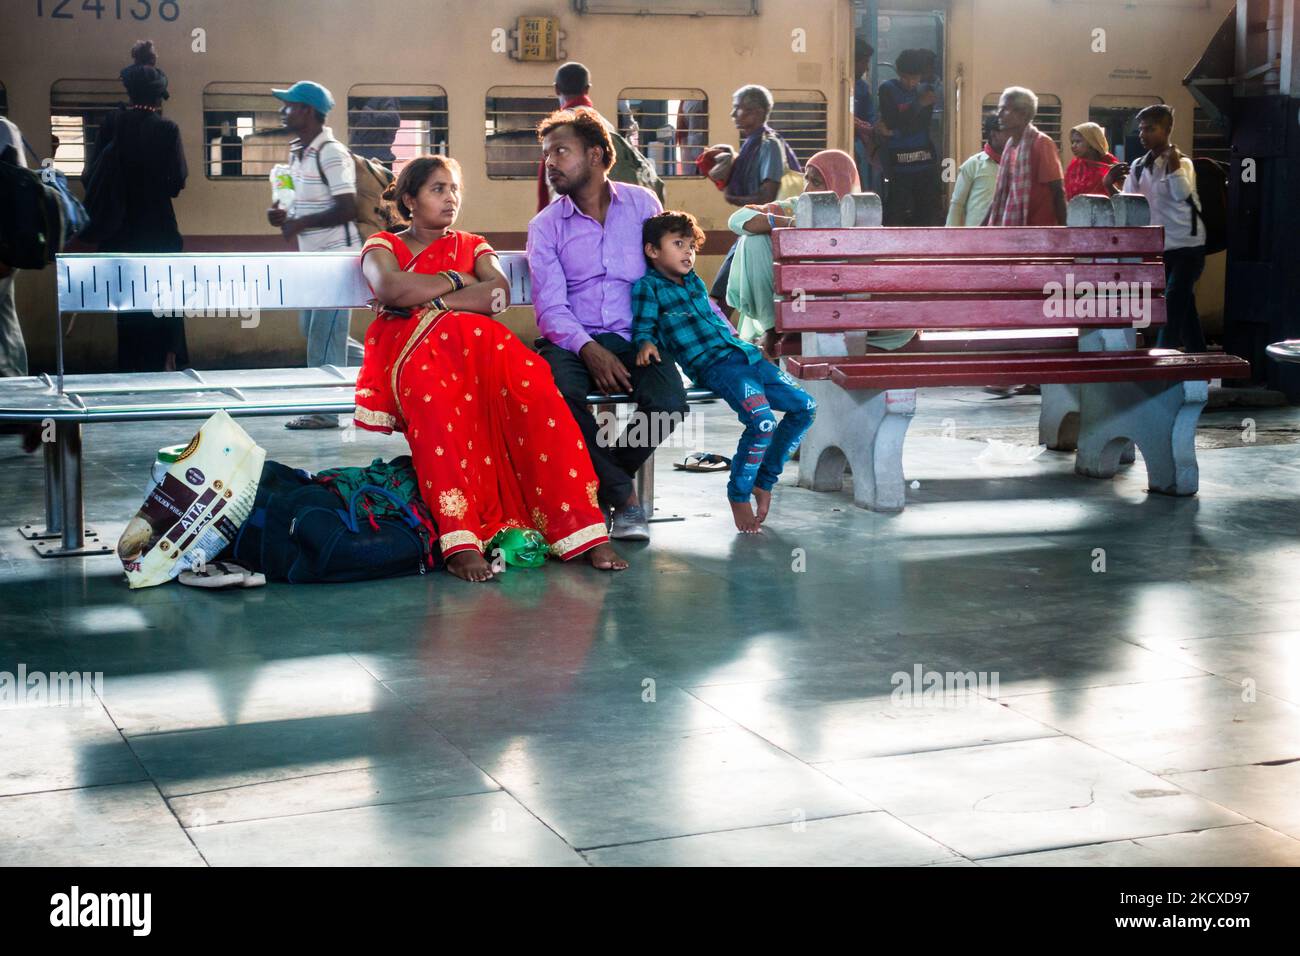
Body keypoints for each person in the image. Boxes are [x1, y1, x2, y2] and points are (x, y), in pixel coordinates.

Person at [354, 155, 626, 582]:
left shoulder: (472, 245)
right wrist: (461, 281)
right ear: (409, 198)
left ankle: (580, 530)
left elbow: (496, 296)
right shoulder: (386, 246)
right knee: (440, 412)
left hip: (482, 353)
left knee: (540, 396)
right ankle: (460, 540)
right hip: (414, 353)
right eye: (437, 189)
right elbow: (389, 286)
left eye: (454, 189)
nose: (450, 198)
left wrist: (431, 297)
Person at [527, 108, 687, 542]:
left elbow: (665, 274)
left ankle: (601, 483)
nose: (550, 163)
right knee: (559, 397)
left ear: (596, 154)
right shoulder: (545, 227)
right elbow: (551, 309)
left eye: (561, 151)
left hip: (637, 336)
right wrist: (588, 349)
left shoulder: (642, 205)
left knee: (669, 405)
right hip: (570, 338)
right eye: (546, 154)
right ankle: (625, 498)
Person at [633, 211, 816, 534]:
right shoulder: (650, 287)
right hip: (716, 366)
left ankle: (764, 480)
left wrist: (748, 343)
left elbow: (716, 318)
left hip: (746, 357)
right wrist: (646, 343)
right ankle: (739, 493)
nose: (688, 252)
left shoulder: (694, 283)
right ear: (652, 251)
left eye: (691, 246)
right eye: (678, 244)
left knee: (805, 407)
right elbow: (644, 324)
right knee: (762, 423)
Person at [723, 149, 910, 354]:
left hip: (856, 317)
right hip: (803, 306)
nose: (807, 188)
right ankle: (774, 327)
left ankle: (786, 327)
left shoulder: (860, 216)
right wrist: (790, 223)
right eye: (807, 179)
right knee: (754, 240)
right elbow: (737, 219)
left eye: (817, 182)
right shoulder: (799, 207)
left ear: (838, 184)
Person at [82, 40, 188, 372]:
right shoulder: (167, 129)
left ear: (130, 93)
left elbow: (89, 176)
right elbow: (176, 184)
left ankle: (131, 372)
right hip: (159, 233)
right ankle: (167, 365)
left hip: (120, 234)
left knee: (127, 312)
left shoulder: (111, 125)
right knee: (165, 304)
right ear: (158, 97)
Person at [266, 80, 360, 429]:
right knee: (315, 331)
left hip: (337, 259)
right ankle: (386, 363)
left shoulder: (331, 153)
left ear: (307, 110)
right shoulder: (298, 152)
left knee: (324, 335)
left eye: (289, 105)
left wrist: (300, 222)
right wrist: (284, 216)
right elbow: (295, 202)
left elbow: (347, 207)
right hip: (313, 260)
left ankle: (325, 410)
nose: (283, 110)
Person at [1104, 104, 1206, 352]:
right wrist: (1109, 186)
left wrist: (1172, 167)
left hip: (1188, 248)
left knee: (1170, 306)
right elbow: (1129, 204)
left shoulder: (1183, 163)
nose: (1143, 134)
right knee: (1184, 308)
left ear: (1167, 129)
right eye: (1141, 129)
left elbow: (1181, 194)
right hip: (1160, 248)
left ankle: (1160, 362)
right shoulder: (1139, 165)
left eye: (1150, 129)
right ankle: (1200, 360)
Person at [709, 84, 802, 311]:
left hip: (765, 233)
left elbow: (766, 196)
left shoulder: (768, 144)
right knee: (726, 290)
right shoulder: (753, 144)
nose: (733, 115)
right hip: (758, 232)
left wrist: (735, 197)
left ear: (757, 112)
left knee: (723, 292)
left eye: (738, 109)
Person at [877, 49, 943, 226]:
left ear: (921, 76)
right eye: (906, 78)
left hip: (924, 161)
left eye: (915, 78)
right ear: (898, 73)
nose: (911, 83)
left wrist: (895, 132)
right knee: (895, 210)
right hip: (898, 163)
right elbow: (892, 121)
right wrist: (918, 104)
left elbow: (920, 125)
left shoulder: (926, 90)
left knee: (925, 210)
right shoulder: (887, 89)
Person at [984, 86, 1066, 227]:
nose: (999, 115)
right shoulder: (1010, 146)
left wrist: (1065, 233)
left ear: (1023, 114)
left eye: (1004, 109)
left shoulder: (1042, 143)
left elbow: (1057, 191)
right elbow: (1001, 194)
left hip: (1039, 230)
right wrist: (981, 229)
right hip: (1014, 230)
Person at [0, 115, 30, 381]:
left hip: (3, 246)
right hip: (6, 249)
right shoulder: (6, 128)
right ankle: (15, 386)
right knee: (5, 320)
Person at [946, 115, 1008, 227]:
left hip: (1006, 236)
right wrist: (950, 238)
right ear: (994, 134)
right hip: (976, 237)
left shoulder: (1017, 166)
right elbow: (957, 204)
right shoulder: (972, 165)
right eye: (1006, 132)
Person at [1065, 122, 1119, 200]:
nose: (1073, 146)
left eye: (1078, 141)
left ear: (1092, 142)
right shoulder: (1074, 167)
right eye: (1072, 142)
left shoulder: (1112, 167)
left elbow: (1120, 200)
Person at [852, 38, 879, 190]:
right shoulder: (839, 85)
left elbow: (870, 117)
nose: (866, 67)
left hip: (860, 143)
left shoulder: (862, 88)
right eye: (864, 62)